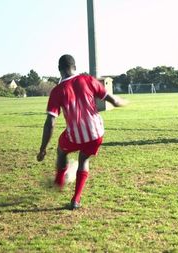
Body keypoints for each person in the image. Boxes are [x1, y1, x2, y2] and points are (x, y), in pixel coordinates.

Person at [37, 54, 127, 210]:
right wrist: (122, 102)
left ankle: (59, 181)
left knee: (61, 151)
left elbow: (50, 123)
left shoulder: (57, 91)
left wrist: (43, 148)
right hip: (96, 133)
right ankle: (76, 200)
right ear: (75, 67)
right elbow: (112, 100)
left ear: (59, 69)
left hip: (74, 136)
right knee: (84, 160)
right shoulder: (88, 80)